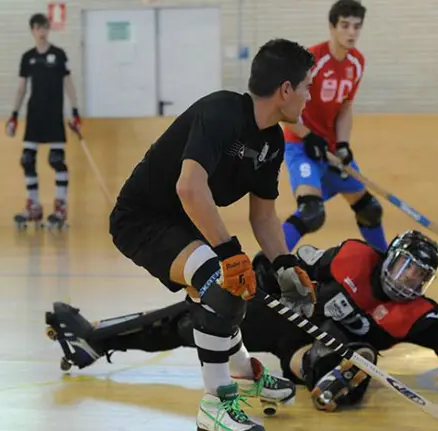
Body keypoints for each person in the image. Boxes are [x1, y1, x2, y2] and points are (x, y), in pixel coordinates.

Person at [55, 38, 317, 431]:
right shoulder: (221, 113)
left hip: (185, 223)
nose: (309, 96)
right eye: (307, 86)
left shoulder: (272, 141)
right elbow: (189, 187)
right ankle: (215, 406)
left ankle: (243, 372)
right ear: (285, 90)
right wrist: (229, 253)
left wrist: (285, 264)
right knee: (220, 283)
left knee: (222, 289)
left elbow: (263, 214)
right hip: (142, 219)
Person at [45, 230, 438, 414]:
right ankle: (97, 340)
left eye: (419, 276)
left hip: (308, 352)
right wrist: (265, 273)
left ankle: (334, 374)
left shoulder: (417, 314)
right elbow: (296, 268)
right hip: (284, 319)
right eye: (403, 268)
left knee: (339, 356)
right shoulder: (352, 256)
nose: (408, 281)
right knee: (191, 321)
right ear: (387, 257)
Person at [280, 0, 389, 253]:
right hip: (300, 145)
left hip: (329, 148)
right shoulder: (310, 61)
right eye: (345, 25)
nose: (351, 32)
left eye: (357, 27)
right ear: (332, 26)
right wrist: (308, 136)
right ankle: (267, 265)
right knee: (311, 212)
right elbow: (284, 109)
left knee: (370, 210)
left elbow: (345, 108)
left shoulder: (357, 63)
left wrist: (342, 144)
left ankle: (383, 267)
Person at [8, 13, 82, 229]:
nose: (43, 31)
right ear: (32, 30)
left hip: (54, 116)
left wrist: (75, 111)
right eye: (39, 27)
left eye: (45, 27)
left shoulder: (58, 55)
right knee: (27, 160)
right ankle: (33, 206)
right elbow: (21, 87)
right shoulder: (27, 57)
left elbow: (68, 83)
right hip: (34, 115)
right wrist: (13, 115)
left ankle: (60, 207)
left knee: (57, 160)